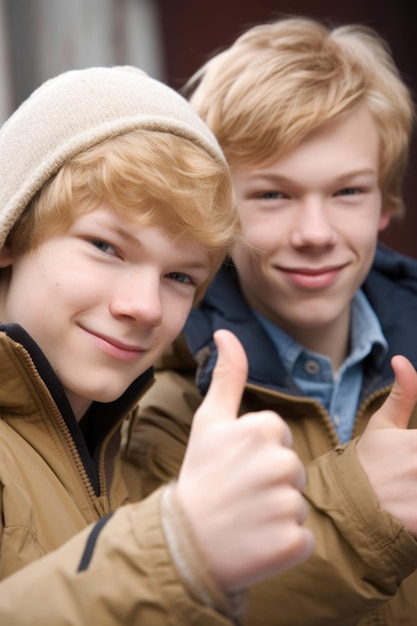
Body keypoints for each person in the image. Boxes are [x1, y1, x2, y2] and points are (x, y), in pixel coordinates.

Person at [0, 65, 315, 625]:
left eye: (180, 278)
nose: (144, 306)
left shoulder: (128, 440)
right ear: (11, 233)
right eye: (106, 246)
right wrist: (176, 554)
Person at [128, 16, 417, 626]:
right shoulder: (163, 405)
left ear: (386, 201)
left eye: (347, 193)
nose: (315, 234)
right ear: (216, 213)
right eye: (272, 196)